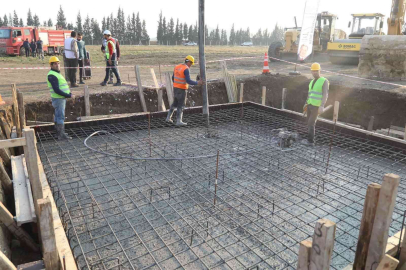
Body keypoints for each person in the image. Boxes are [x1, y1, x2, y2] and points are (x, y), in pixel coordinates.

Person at [166, 55, 203, 126]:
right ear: (188, 62)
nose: (191, 65)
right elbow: (188, 81)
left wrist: (177, 84)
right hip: (182, 89)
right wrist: (197, 83)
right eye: (191, 63)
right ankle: (178, 121)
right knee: (181, 105)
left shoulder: (177, 67)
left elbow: (173, 78)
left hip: (176, 88)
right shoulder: (186, 69)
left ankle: (168, 118)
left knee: (175, 103)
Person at [47, 56, 74, 140]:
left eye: (58, 63)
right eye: (55, 64)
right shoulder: (52, 75)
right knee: (60, 116)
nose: (57, 65)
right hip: (58, 99)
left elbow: (62, 87)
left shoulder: (56, 74)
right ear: (51, 65)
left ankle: (59, 133)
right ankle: (61, 135)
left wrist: (69, 93)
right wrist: (69, 95)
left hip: (60, 98)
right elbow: (56, 90)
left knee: (58, 116)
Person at [302, 63, 329, 146]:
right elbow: (309, 94)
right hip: (310, 105)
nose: (314, 73)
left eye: (316, 71)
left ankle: (310, 141)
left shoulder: (324, 81)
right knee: (308, 122)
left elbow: (325, 94)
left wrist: (322, 105)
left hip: (316, 107)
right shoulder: (311, 82)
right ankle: (309, 139)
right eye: (313, 71)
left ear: (319, 71)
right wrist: (306, 104)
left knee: (311, 123)